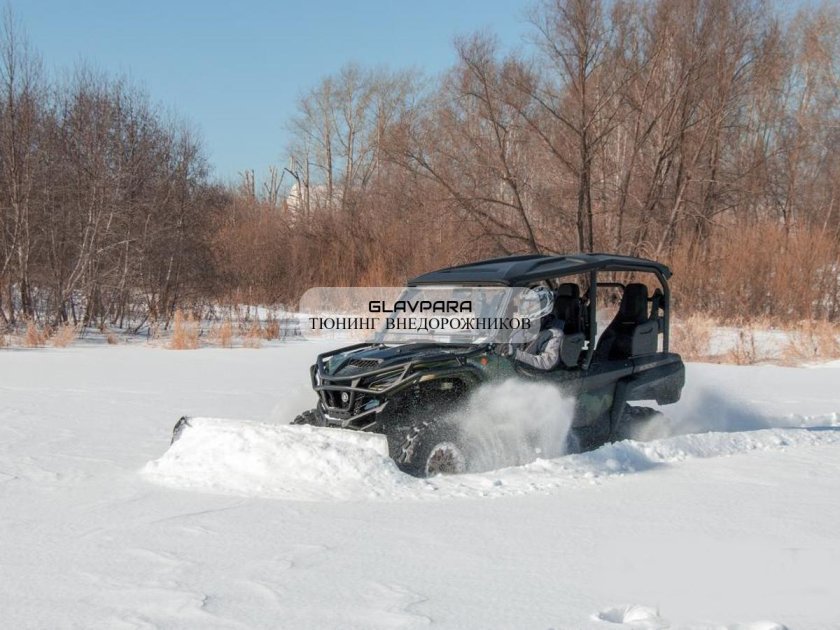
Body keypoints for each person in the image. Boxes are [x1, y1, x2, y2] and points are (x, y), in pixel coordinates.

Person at [511, 285, 565, 371]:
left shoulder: (554, 333)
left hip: (534, 376)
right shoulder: (524, 327)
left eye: (531, 305)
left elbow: (547, 363)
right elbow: (511, 346)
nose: (527, 308)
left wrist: (516, 354)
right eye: (525, 304)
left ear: (543, 304)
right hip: (516, 369)